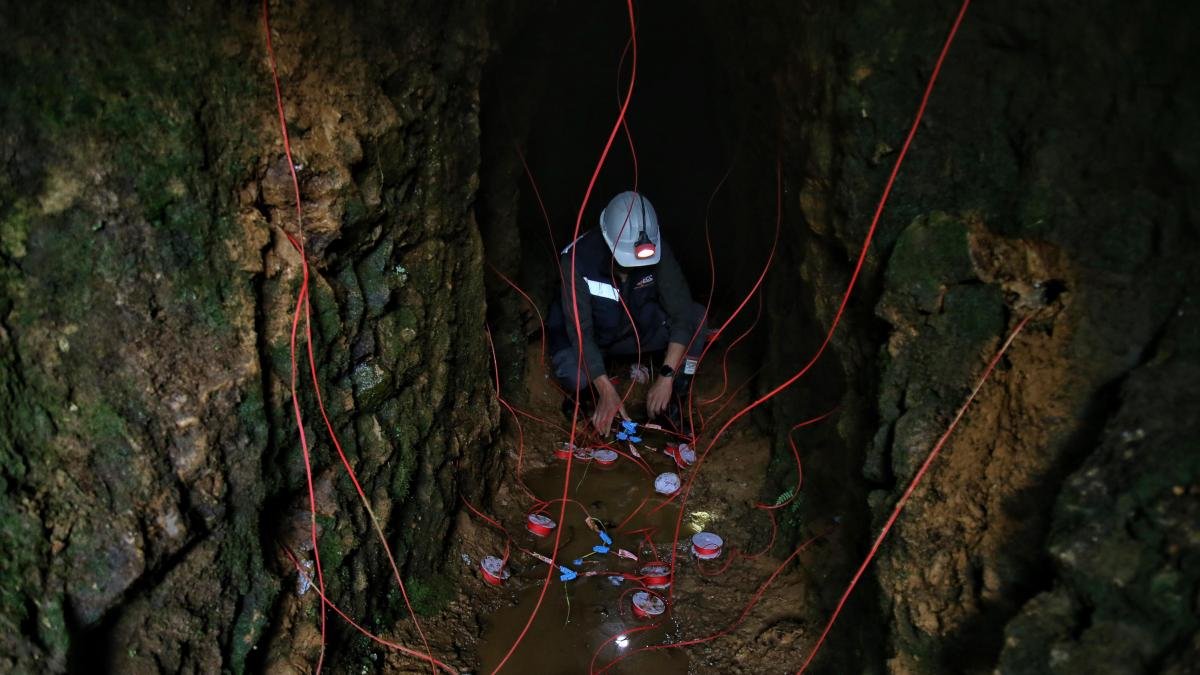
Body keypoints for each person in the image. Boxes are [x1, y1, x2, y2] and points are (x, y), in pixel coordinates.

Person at [547, 191, 707, 436]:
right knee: (574, 375)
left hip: (637, 333)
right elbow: (581, 333)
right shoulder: (577, 260)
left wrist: (666, 376)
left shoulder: (658, 249)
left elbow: (682, 313)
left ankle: (674, 398)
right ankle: (589, 402)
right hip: (596, 339)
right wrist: (605, 388)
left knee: (697, 317)